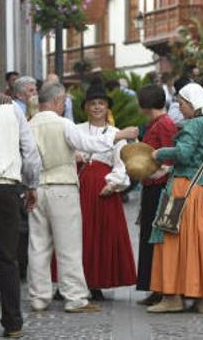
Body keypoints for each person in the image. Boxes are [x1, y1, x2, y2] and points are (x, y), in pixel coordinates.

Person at [27, 83, 137, 313]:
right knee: (69, 245)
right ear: (58, 101)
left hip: (38, 187)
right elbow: (90, 143)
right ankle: (75, 298)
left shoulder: (30, 124)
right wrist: (119, 135)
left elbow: (26, 158)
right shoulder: (64, 124)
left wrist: (28, 187)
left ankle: (39, 297)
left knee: (38, 245)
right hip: (62, 187)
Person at [148, 83, 203, 313]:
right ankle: (201, 299)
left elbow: (183, 153)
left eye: (182, 103)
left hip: (184, 189)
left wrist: (159, 153)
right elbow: (200, 158)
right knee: (200, 243)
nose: (180, 107)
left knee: (171, 241)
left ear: (193, 103)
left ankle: (172, 297)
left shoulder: (194, 124)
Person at [75, 84, 136, 300]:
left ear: (107, 107)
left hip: (103, 188)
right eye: (93, 104)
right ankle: (73, 282)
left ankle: (96, 282)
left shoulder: (114, 133)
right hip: (80, 187)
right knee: (76, 235)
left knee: (99, 235)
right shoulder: (77, 129)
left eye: (101, 103)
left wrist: (113, 184)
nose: (97, 107)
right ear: (86, 108)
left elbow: (121, 163)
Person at [0, 89, 40, 338]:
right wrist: (31, 185)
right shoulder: (12, 108)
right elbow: (30, 152)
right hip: (5, 186)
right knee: (7, 258)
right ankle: (13, 323)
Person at [135, 84, 177, 307]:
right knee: (150, 239)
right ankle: (154, 286)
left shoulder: (165, 125)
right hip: (152, 185)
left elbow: (170, 157)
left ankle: (161, 288)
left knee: (158, 240)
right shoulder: (157, 124)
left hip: (161, 187)